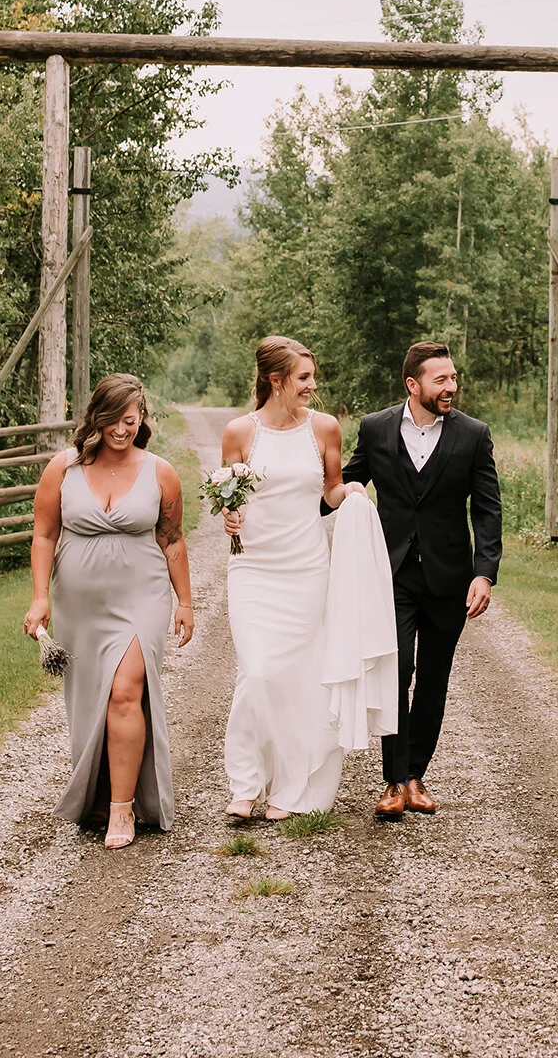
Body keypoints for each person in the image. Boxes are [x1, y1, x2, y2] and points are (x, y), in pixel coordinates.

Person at [23, 374, 194, 850]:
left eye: (130, 420)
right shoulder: (63, 468)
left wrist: (185, 601)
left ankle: (122, 808)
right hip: (80, 603)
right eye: (113, 419)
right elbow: (44, 535)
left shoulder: (161, 472)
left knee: (125, 692)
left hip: (142, 595)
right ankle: (96, 794)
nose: (121, 429)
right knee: (89, 700)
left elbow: (172, 539)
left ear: (142, 420)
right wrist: (40, 597)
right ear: (96, 418)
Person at [339, 341, 501, 820]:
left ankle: (415, 776)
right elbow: (346, 482)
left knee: (433, 677)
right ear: (413, 384)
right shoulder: (375, 427)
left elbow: (487, 509)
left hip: (450, 578)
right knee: (397, 671)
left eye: (453, 378)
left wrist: (484, 572)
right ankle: (393, 780)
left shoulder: (473, 434)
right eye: (441, 379)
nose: (451, 387)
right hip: (391, 574)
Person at [218, 336, 363, 820]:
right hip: (253, 569)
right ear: (276, 380)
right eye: (303, 377)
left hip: (306, 568)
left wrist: (352, 493)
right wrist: (230, 517)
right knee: (257, 671)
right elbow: (230, 497)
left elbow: (330, 491)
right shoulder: (240, 432)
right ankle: (245, 783)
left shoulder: (324, 428)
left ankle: (290, 785)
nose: (312, 385)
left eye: (312, 376)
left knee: (299, 679)